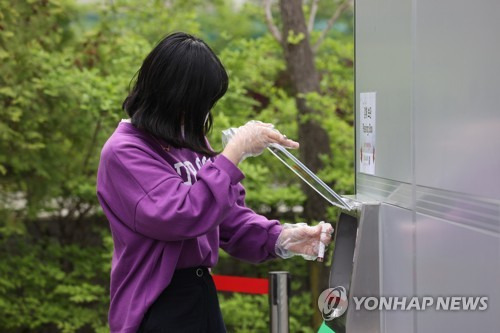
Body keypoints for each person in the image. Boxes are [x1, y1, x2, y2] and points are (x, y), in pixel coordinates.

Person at [96, 32, 333, 333]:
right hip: (157, 303)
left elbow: (227, 217)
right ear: (171, 96)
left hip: (200, 293)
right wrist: (234, 152)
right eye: (199, 104)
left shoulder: (186, 139)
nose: (203, 114)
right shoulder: (125, 152)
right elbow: (181, 216)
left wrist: (281, 238)